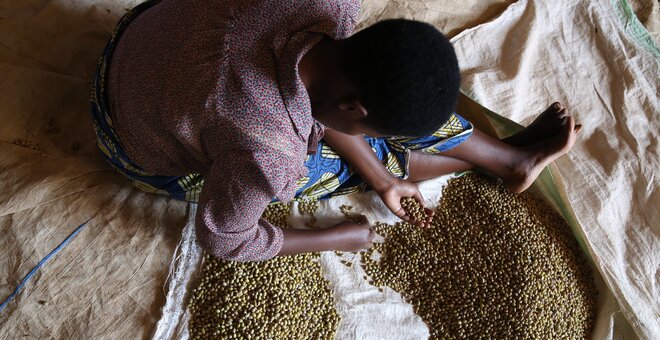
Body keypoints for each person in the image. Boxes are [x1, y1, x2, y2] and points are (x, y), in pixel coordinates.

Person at [90, 0, 581, 262]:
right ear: (352, 107)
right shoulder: (269, 154)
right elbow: (225, 239)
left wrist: (386, 185)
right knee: (326, 168)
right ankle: (499, 160)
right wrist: (338, 237)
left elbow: (327, 105)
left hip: (148, 34)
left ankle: (507, 161)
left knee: (393, 112)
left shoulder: (333, 6)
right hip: (128, 130)